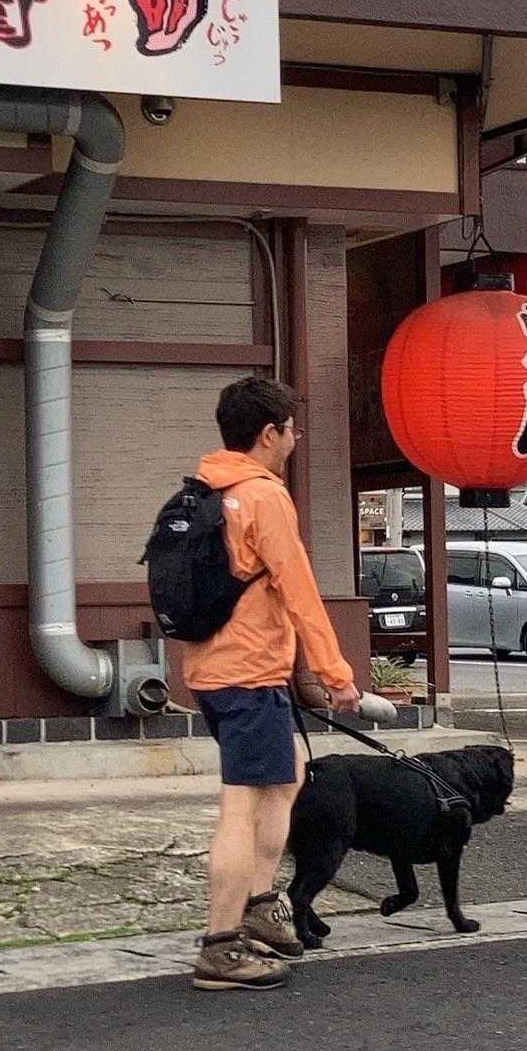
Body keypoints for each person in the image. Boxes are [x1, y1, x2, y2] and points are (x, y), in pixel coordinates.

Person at [185, 377, 360, 992]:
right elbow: (300, 589)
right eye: (291, 429)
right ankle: (219, 947)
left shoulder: (206, 488)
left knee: (288, 774)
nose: (296, 438)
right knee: (242, 804)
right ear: (269, 434)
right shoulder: (262, 495)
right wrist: (336, 674)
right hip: (248, 674)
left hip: (213, 668)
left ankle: (260, 906)